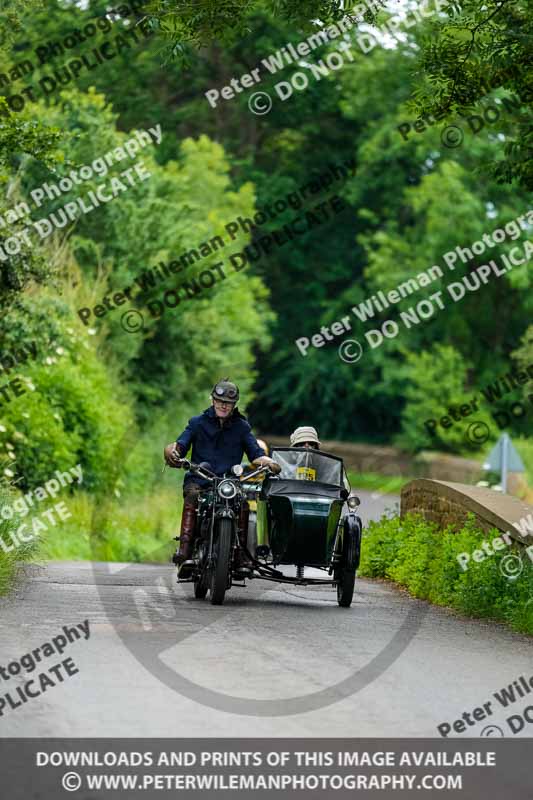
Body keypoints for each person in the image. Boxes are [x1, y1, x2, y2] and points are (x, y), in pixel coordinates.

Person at [164, 379, 280, 572]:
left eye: (228, 402)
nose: (223, 405)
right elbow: (181, 445)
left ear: (234, 405)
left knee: (242, 504)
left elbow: (255, 454)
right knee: (192, 496)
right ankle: (184, 549)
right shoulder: (197, 423)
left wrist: (270, 463)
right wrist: (173, 452)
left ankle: (240, 556)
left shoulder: (242, 427)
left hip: (229, 483)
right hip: (201, 479)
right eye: (220, 400)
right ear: (212, 400)